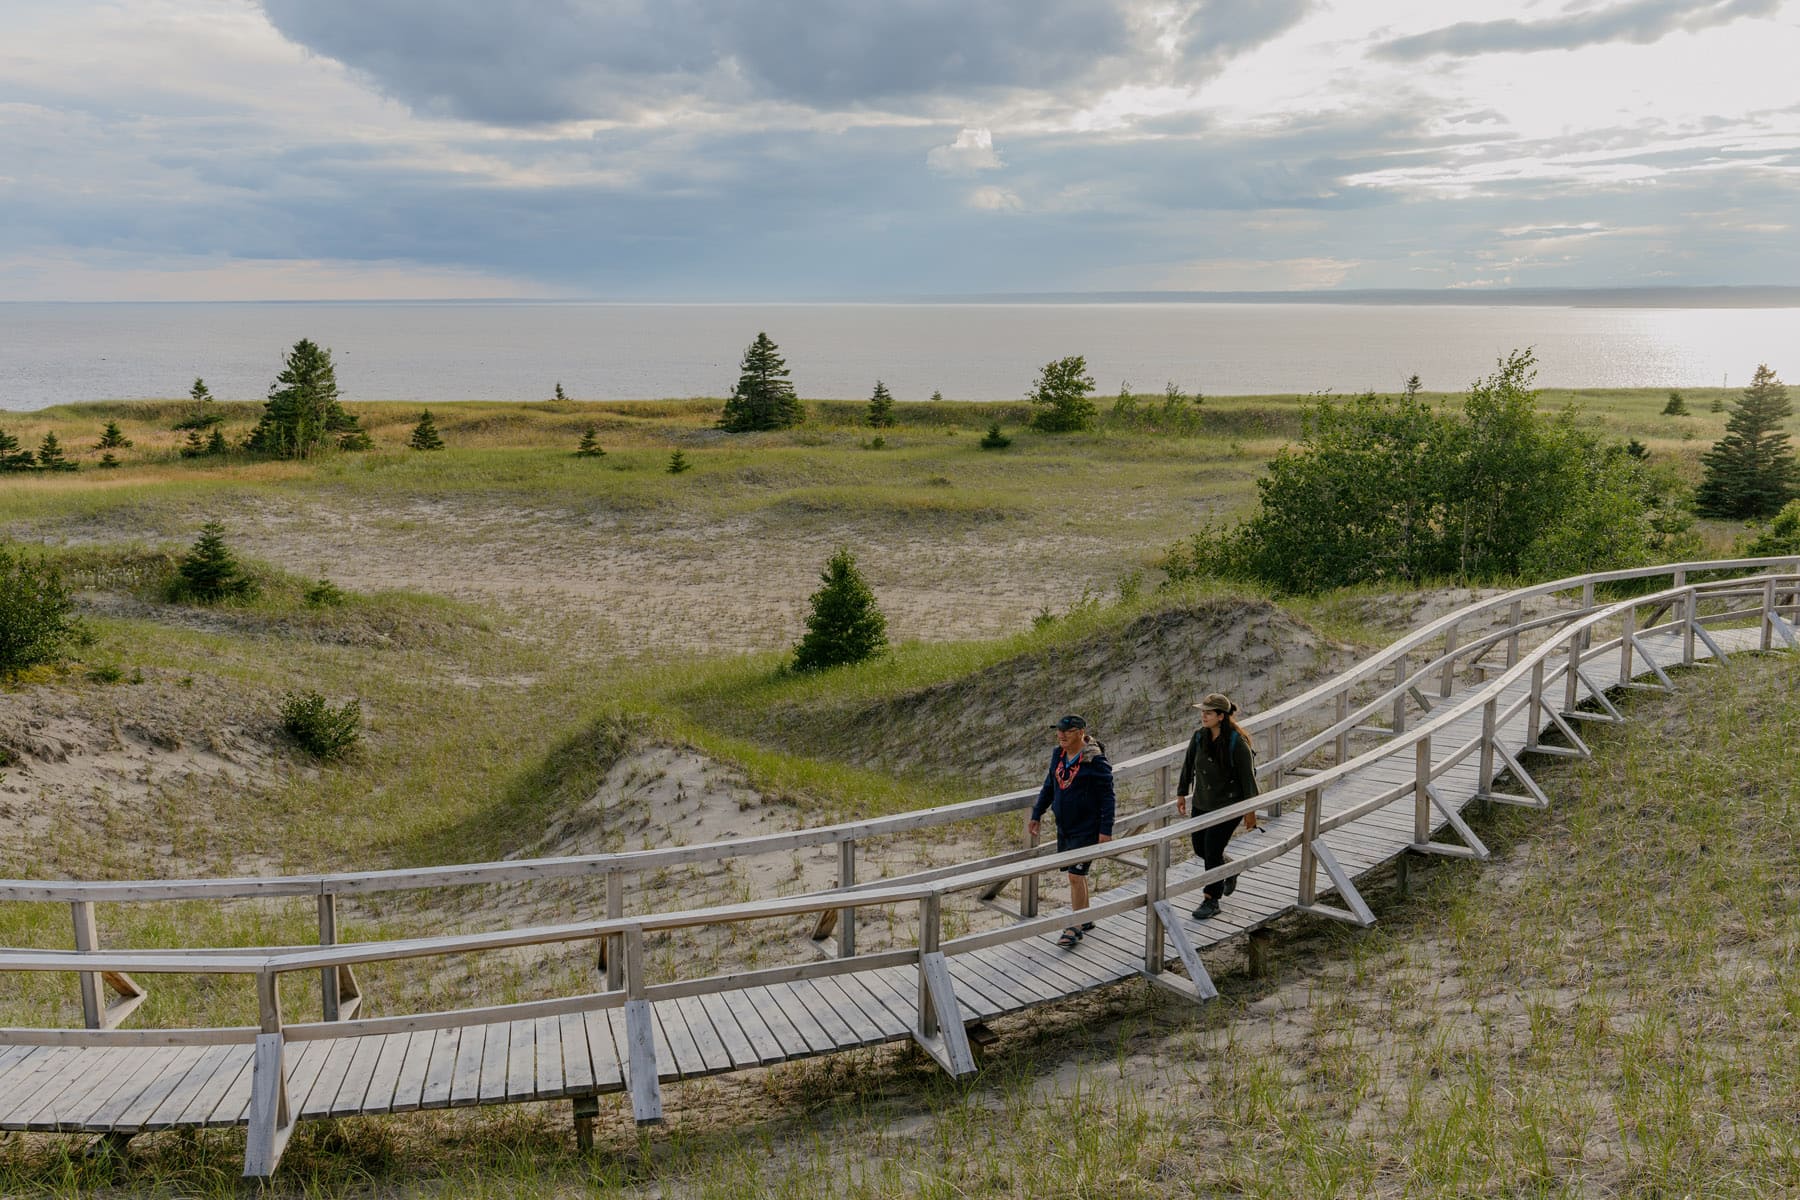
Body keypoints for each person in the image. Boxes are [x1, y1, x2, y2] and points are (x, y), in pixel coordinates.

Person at [1028, 715, 1115, 949]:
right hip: (1065, 827)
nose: (1062, 735)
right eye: (1059, 731)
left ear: (1081, 732)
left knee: (1075, 876)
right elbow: (1050, 785)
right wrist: (1037, 813)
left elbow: (1108, 796)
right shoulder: (1058, 754)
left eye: (1067, 731)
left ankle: (1074, 927)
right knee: (1078, 876)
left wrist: (1106, 829)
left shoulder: (1094, 760)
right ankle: (1085, 917)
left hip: (1087, 827)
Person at [1175, 692, 1258, 920]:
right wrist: (1182, 793)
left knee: (1212, 850)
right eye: (1202, 712)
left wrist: (1250, 814)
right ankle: (1229, 868)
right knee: (1200, 848)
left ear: (1221, 716)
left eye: (1208, 713)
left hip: (1228, 805)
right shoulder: (1199, 737)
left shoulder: (1237, 743)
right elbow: (1188, 764)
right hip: (1202, 802)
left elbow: (1248, 780)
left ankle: (1212, 899)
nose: (1203, 716)